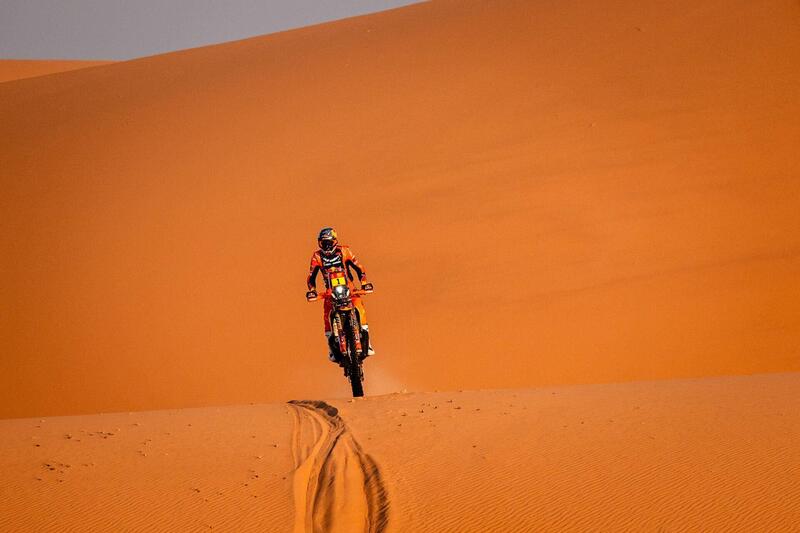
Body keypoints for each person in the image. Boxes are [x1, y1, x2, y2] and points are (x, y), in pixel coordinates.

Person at [306, 227, 375, 363]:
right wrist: (312, 290)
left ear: (335, 241)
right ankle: (332, 348)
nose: (327, 246)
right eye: (323, 243)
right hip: (330, 292)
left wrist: (364, 283)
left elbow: (359, 268)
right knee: (327, 315)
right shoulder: (317, 257)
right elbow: (311, 276)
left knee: (360, 308)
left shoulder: (344, 251)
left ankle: (367, 342)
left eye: (329, 243)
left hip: (349, 288)